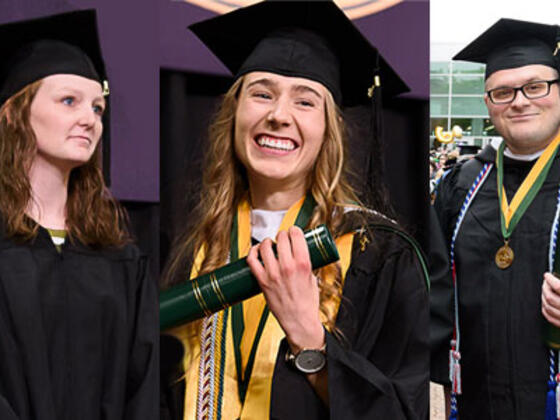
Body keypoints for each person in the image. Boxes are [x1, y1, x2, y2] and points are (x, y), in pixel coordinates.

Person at [161, 1, 429, 419]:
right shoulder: (190, 244)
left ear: (329, 131)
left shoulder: (378, 254)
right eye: (262, 94)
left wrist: (310, 338)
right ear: (234, 114)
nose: (278, 115)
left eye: (305, 102)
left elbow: (403, 412)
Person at [0, 10, 158, 420]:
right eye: (68, 101)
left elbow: (142, 384)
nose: (89, 119)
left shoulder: (117, 252)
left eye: (98, 108)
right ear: (15, 112)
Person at [431, 18, 560, 420]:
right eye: (502, 92)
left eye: (536, 86)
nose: (519, 101)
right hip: (475, 402)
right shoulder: (460, 186)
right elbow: (430, 293)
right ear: (488, 104)